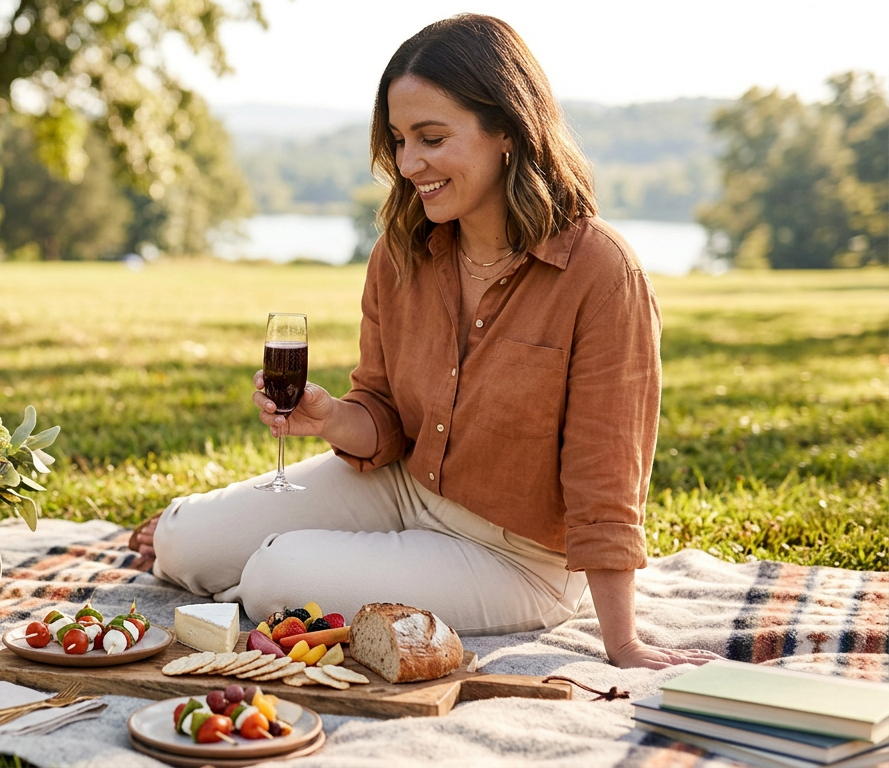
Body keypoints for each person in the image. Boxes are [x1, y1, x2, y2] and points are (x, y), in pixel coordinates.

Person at [130, 14, 717, 670]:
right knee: (182, 543)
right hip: (402, 486)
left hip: (517, 557)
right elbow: (380, 415)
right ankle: (240, 567)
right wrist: (328, 418)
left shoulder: (601, 272)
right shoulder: (402, 254)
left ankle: (268, 583)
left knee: (275, 575)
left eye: (431, 138)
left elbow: (606, 476)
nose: (409, 165)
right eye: (400, 140)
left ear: (506, 131)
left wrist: (624, 643)